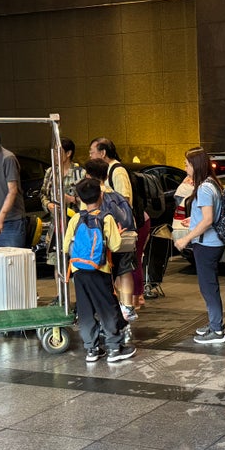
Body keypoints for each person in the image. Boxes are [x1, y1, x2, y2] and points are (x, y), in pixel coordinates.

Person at [66, 177, 135, 363]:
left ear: (79, 198)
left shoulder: (75, 219)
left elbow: (66, 247)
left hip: (78, 271)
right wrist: (116, 235)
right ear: (101, 195)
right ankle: (114, 348)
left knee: (86, 310)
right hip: (100, 270)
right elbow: (115, 245)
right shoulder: (106, 218)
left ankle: (92, 350)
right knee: (107, 308)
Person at [88, 137, 146, 320]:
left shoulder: (117, 171)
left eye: (92, 151)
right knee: (121, 270)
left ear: (103, 153)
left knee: (123, 269)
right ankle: (124, 305)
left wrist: (115, 223)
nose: (90, 154)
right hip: (118, 230)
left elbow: (125, 200)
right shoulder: (110, 173)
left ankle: (127, 306)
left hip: (122, 230)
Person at [177, 147, 225, 343]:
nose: (185, 167)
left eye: (187, 164)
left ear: (195, 166)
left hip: (207, 245)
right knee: (209, 286)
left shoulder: (205, 188)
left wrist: (186, 238)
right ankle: (215, 324)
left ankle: (217, 331)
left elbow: (207, 220)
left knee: (208, 287)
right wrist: (192, 219)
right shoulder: (211, 183)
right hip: (211, 243)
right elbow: (207, 216)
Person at [40, 137, 86, 263]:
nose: (54, 155)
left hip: (75, 224)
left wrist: (71, 199)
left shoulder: (80, 173)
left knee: (77, 260)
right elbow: (43, 194)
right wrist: (49, 205)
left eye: (57, 152)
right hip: (56, 225)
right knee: (57, 262)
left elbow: (88, 200)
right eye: (53, 152)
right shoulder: (50, 172)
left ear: (68, 153)